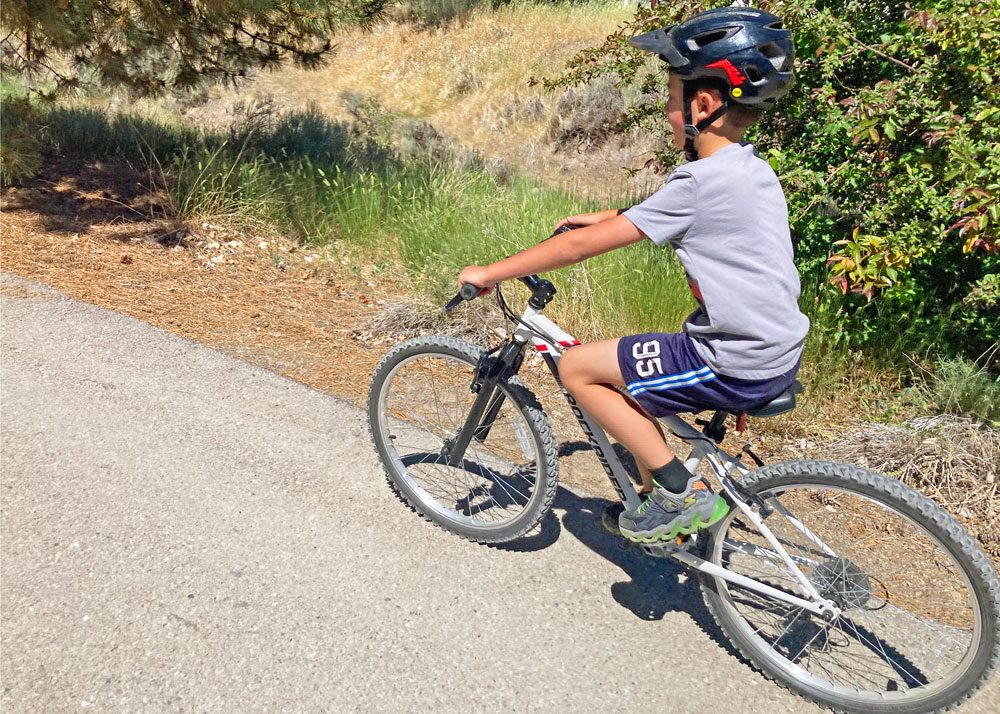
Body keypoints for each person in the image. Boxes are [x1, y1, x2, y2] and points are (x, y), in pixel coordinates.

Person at [456, 6, 809, 543]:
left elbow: (575, 249)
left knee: (577, 368)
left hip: (734, 357)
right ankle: (661, 502)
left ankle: (678, 494)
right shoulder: (747, 168)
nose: (667, 114)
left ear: (705, 105)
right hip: (776, 346)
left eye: (671, 102)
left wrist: (491, 272)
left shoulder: (697, 184)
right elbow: (675, 211)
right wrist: (615, 217)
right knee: (631, 378)